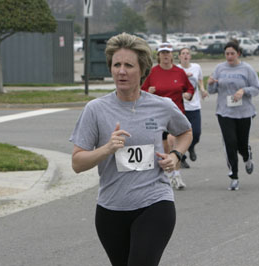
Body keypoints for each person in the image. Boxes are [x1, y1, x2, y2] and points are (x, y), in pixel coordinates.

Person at [70, 32, 192, 266]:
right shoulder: (95, 109)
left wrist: (176, 156)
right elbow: (77, 162)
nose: (121, 71)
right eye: (116, 65)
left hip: (155, 202)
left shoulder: (161, 106)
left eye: (128, 65)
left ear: (142, 69)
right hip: (111, 209)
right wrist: (106, 149)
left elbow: (185, 132)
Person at [207, 40, 259, 191]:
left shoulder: (247, 69)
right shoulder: (220, 68)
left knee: (241, 144)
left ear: (238, 53)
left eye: (232, 53)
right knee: (230, 143)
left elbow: (257, 88)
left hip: (244, 112)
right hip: (225, 112)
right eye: (227, 54)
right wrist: (210, 83)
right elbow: (211, 90)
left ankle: (247, 156)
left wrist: (243, 91)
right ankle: (234, 176)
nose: (229, 56)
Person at [141, 42, 194, 189]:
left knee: (173, 143)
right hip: (157, 117)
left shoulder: (179, 72)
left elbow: (189, 87)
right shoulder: (153, 72)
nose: (165, 55)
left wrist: (189, 94)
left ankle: (176, 175)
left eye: (168, 53)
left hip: (176, 115)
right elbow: (142, 92)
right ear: (158, 56)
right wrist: (148, 92)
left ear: (172, 55)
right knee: (165, 149)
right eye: (162, 53)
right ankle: (170, 175)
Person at [176, 47, 208, 164]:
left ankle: (191, 147)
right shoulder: (176, 69)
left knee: (197, 133)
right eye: (183, 53)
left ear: (190, 56)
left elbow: (200, 80)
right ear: (179, 57)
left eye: (187, 53)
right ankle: (182, 158)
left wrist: (203, 90)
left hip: (194, 106)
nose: (185, 55)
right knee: (180, 134)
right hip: (180, 107)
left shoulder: (196, 67)